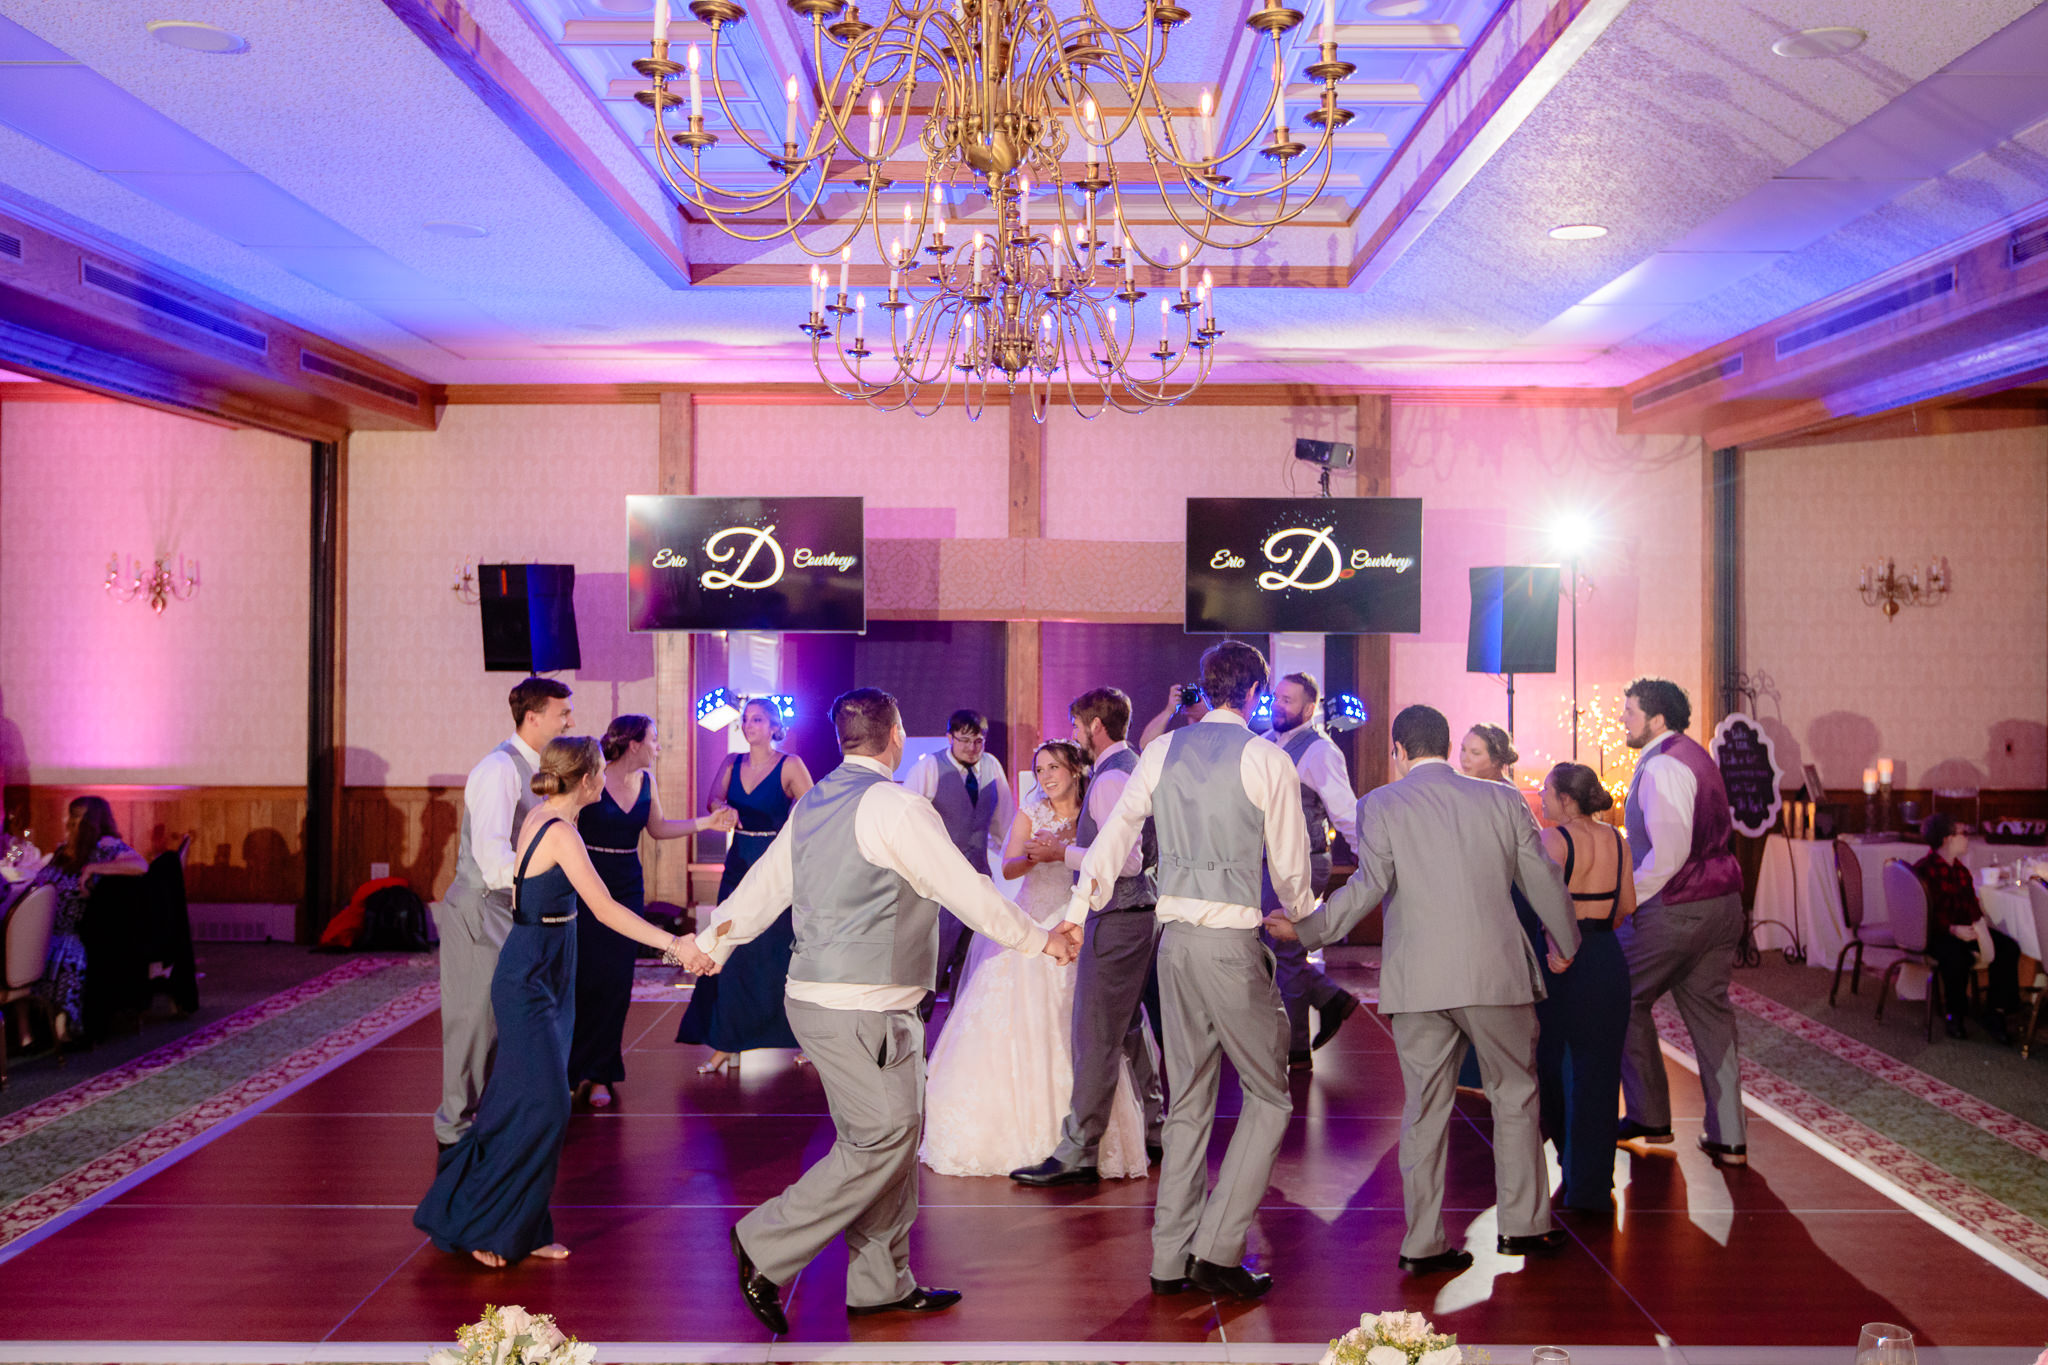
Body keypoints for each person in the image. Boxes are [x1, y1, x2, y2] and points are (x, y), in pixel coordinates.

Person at [697, 689, 1074, 1332]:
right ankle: (764, 1242)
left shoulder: (815, 800)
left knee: (891, 1144)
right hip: (861, 1006)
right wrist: (1041, 939)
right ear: (896, 735)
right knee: (884, 1138)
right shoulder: (899, 807)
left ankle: (880, 1283)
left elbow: (765, 886)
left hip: (829, 999)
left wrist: (712, 944)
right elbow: (965, 889)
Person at [1268, 704, 1578, 1276]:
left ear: (1399, 749)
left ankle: (1423, 1242)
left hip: (1418, 980)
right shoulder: (1503, 799)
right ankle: (1523, 1229)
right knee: (1514, 1095)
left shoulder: (1380, 804)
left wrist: (1308, 929)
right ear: (1447, 743)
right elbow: (1541, 876)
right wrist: (1565, 943)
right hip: (1495, 975)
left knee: (1425, 1110)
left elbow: (1365, 890)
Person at [1064, 641, 1312, 1301]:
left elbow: (1113, 839)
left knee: (1189, 1101)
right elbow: (1291, 871)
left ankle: (1170, 1257)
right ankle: (1218, 1247)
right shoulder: (1268, 757)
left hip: (1170, 942)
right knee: (1269, 1093)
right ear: (1256, 692)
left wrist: (1073, 909)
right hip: (1231, 943)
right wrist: (1307, 922)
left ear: (1202, 688)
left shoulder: (1162, 750)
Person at [415, 736, 715, 1267]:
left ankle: (523, 1228)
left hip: (550, 965)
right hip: (532, 972)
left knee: (528, 1105)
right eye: (600, 773)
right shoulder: (557, 831)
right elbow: (605, 909)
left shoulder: (554, 820)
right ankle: (484, 1224)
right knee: (543, 1106)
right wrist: (676, 946)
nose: (606, 780)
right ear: (586, 781)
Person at [922, 739, 1148, 1178]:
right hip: (1035, 922)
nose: (1045, 776)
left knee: (1084, 1028)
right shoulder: (1031, 812)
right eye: (1039, 768)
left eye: (1053, 767)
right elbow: (1006, 867)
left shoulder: (1091, 811)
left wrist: (1062, 848)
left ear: (1075, 770)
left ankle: (1081, 1134)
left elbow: (1113, 860)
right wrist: (1036, 855)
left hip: (1079, 919)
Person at [1012, 687, 1164, 1187]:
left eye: (1077, 725)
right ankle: (1156, 1125)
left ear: (1096, 725)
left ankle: (1077, 1151)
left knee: (1096, 1033)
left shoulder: (1111, 776)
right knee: (1125, 1028)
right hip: (1126, 914)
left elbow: (1125, 860)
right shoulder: (1124, 769)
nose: (1075, 734)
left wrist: (1063, 856)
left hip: (1119, 915)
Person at [434, 676, 574, 1149]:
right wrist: (551, 869)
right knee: (474, 1024)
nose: (568, 722)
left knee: (505, 1019)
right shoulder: (499, 770)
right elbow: (494, 860)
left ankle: (493, 1125)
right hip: (482, 908)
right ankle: (454, 1134)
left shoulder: (539, 771)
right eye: (562, 714)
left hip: (513, 908)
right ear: (533, 718)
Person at [1614, 678, 1749, 1165]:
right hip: (1723, 904)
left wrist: (1625, 903)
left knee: (1620, 995)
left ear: (1657, 718)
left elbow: (1668, 856)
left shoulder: (1663, 765)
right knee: (1713, 1018)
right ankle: (1729, 1136)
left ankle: (1650, 1114)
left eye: (1629, 712)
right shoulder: (1692, 755)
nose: (1623, 719)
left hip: (1679, 907)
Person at [569, 714, 737, 1108]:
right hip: (587, 881)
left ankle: (600, 1074)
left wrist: (707, 823)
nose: (659, 746)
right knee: (582, 979)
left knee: (615, 982)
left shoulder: (648, 782)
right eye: (654, 739)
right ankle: (569, 1069)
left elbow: (658, 829)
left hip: (628, 882)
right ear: (634, 744)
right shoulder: (592, 776)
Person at [677, 697, 815, 1072]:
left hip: (776, 863)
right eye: (745, 720)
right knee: (730, 945)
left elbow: (814, 809)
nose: (748, 725)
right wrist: (724, 808)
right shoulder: (731, 762)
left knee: (780, 951)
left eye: (756, 719)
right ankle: (726, 1041)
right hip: (738, 861)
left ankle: (805, 1039)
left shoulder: (790, 765)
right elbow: (712, 798)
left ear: (773, 725)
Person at [1534, 762, 1635, 1211]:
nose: (1541, 798)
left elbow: (1541, 904)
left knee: (1551, 1067)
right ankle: (1592, 1184)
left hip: (1563, 959)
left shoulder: (1553, 840)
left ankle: (1569, 1159)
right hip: (1606, 958)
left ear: (1567, 800)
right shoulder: (1617, 838)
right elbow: (1626, 905)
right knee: (1599, 1074)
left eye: (1546, 792)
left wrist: (1558, 944)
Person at [1260, 672, 1361, 1073]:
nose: (1279, 705)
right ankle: (1329, 1000)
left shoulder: (1321, 752)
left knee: (1283, 948)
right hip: (1269, 862)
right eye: (1277, 697)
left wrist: (1369, 861)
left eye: (1288, 700)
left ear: (1309, 708)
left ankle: (1296, 1050)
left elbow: (1346, 813)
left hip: (1303, 861)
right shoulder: (1266, 742)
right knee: (1273, 947)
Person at [904, 709, 1016, 1018]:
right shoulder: (928, 768)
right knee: (933, 960)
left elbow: (1003, 823)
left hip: (979, 876)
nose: (971, 748)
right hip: (940, 881)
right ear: (949, 737)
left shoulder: (991, 766)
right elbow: (908, 825)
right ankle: (915, 1036)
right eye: (963, 740)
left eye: (977, 741)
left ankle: (960, 1032)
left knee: (971, 960)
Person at [1454, 722, 1536, 1091]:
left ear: (1498, 759)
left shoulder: (1507, 796)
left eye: (1475, 753)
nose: (1465, 759)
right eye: (1464, 750)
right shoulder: (1470, 790)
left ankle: (1488, 1070)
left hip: (1506, 897)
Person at [24, 796, 147, 1042]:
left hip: (71, 930)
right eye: (70, 815)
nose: (68, 821)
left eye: (76, 815)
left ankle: (60, 1026)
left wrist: (93, 869)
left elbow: (140, 865)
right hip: (41, 926)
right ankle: (25, 1031)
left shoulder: (104, 844)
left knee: (57, 949)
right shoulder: (66, 849)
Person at [1913, 814, 2021, 1042]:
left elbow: (1970, 905)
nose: (1967, 838)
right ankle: (1955, 1014)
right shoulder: (1924, 871)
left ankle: (1996, 1011)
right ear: (1946, 840)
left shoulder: (1961, 871)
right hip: (1936, 934)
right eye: (1961, 833)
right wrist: (1952, 929)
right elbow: (1922, 915)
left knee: (2008, 948)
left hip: (1964, 929)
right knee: (1957, 956)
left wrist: (1978, 928)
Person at [1137, 681, 1208, 750]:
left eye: (1202, 696)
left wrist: (1207, 712)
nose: (1190, 698)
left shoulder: (1214, 732)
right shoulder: (1178, 739)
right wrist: (1169, 710)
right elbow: (1145, 746)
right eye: (1186, 694)